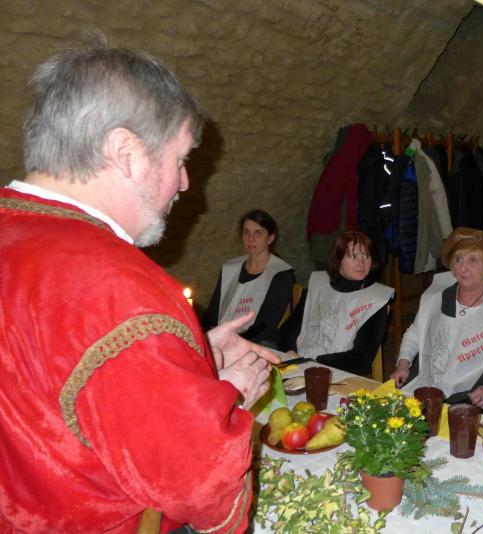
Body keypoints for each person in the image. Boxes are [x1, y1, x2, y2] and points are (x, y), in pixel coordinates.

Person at [0, 40, 279, 533]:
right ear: (125, 153)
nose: (184, 182)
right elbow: (200, 484)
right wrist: (230, 395)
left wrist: (189, 357)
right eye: (180, 159)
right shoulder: (118, 288)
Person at [389, 227, 483, 409]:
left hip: (474, 394)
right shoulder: (437, 298)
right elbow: (415, 333)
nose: (463, 268)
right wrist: (403, 363)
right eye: (458, 259)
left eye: (472, 260)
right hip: (427, 384)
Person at [278, 231, 393, 375]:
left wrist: (314, 363)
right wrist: (290, 351)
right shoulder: (318, 285)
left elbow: (361, 358)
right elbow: (290, 327)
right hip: (299, 362)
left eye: (366, 256)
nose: (361, 263)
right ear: (338, 260)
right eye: (353, 256)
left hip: (339, 372)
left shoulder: (375, 298)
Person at [202, 209, 294, 347]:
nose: (251, 238)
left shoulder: (281, 274)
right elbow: (213, 312)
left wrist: (231, 342)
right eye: (246, 232)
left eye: (258, 233)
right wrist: (204, 335)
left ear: (270, 238)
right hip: (222, 337)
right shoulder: (230, 268)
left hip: (256, 341)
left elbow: (266, 326)